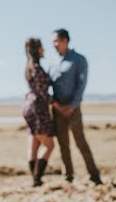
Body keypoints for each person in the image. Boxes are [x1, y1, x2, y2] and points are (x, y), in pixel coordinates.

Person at [49, 29, 102, 185]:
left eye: (56, 41)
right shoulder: (53, 63)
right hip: (58, 110)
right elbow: (47, 85)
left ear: (65, 40)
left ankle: (94, 175)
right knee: (63, 144)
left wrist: (72, 106)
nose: (54, 45)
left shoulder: (79, 60)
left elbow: (81, 85)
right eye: (53, 42)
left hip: (73, 109)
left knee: (80, 142)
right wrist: (55, 104)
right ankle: (68, 176)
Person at [22, 38, 55, 186]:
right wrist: (56, 104)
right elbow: (42, 92)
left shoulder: (28, 67)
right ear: (37, 50)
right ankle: (37, 178)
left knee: (34, 145)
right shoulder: (37, 68)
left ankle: (35, 179)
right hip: (38, 109)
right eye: (42, 48)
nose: (44, 50)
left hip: (28, 107)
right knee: (49, 145)